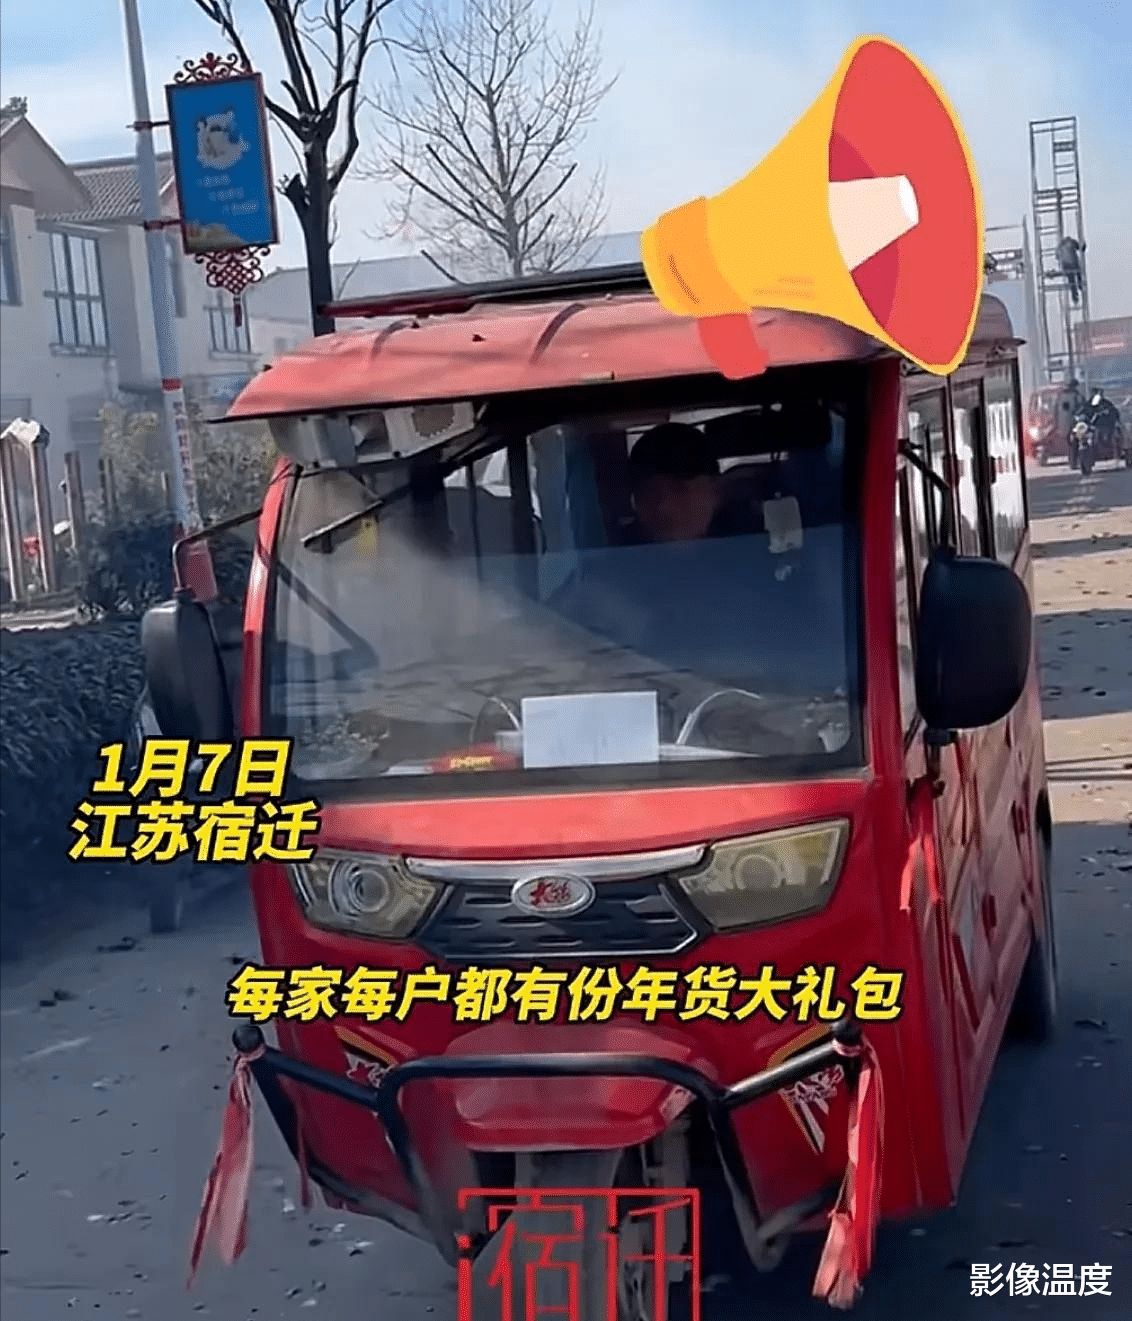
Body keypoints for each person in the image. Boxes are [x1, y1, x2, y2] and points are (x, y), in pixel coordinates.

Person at [620, 422, 757, 544]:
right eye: (649, 493)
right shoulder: (615, 553)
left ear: (717, 492)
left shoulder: (756, 545)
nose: (662, 505)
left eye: (678, 489)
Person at [1056, 236, 1086, 305]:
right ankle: (1080, 286)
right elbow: (1080, 248)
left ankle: (1075, 297)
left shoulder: (1060, 245)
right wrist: (1083, 245)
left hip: (1066, 266)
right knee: (1078, 273)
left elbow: (1057, 256)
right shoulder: (1072, 242)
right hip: (1073, 264)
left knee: (1071, 281)